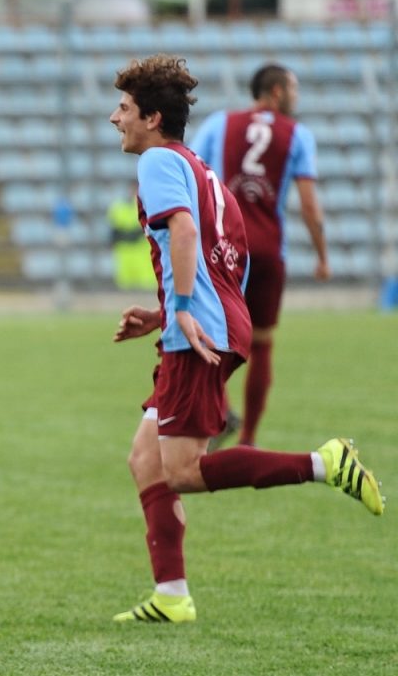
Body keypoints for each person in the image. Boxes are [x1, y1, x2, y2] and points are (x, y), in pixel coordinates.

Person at [108, 55, 383, 624]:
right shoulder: (205, 172)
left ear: (153, 118)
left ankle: (324, 463)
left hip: (198, 333)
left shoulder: (158, 161)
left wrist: (184, 310)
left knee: (183, 470)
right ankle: (172, 595)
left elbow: (184, 231)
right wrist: (164, 314)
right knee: (145, 458)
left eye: (125, 108)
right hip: (216, 322)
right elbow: (229, 260)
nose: (115, 118)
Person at [190, 63, 330, 448]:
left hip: (224, 248)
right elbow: (309, 205)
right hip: (268, 250)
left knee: (208, 334)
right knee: (262, 343)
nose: (296, 97)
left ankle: (221, 412)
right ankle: (248, 439)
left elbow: (193, 174)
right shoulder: (297, 134)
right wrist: (322, 256)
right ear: (277, 92)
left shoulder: (220, 124)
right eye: (294, 89)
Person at [107, 184, 156, 291]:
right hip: (124, 250)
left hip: (141, 251)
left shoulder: (146, 206)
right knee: (125, 285)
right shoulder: (118, 207)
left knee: (146, 284)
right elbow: (113, 230)